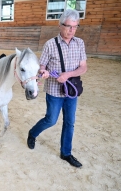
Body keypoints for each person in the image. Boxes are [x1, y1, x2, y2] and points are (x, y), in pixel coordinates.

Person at [27, 9, 87, 168]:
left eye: (75, 27)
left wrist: (67, 75)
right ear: (60, 26)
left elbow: (83, 67)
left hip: (72, 90)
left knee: (70, 122)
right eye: (68, 26)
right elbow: (42, 67)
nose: (72, 30)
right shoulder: (50, 44)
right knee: (51, 120)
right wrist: (43, 73)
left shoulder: (80, 43)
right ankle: (32, 133)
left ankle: (66, 153)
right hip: (54, 91)